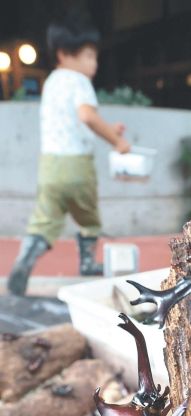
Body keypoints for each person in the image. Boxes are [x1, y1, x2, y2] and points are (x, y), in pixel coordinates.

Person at [7, 11, 131, 296]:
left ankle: (26, 257)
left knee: (44, 220)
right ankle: (87, 263)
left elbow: (72, 122)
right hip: (77, 166)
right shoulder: (79, 82)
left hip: (49, 166)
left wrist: (111, 127)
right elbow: (86, 116)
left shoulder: (51, 82)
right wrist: (116, 141)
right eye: (89, 56)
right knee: (88, 217)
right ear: (64, 53)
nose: (94, 64)